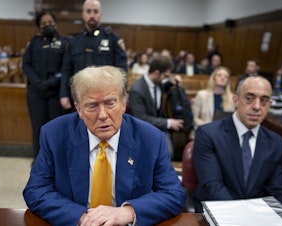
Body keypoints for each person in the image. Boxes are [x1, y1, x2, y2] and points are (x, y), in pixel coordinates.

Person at [23, 66, 186, 226]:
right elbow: (36, 190)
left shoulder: (150, 138)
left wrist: (128, 212)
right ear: (79, 109)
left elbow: (173, 194)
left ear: (123, 103)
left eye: (110, 103)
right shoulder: (54, 134)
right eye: (92, 106)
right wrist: (80, 217)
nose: (102, 115)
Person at [192, 75, 282, 212]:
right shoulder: (208, 134)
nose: (257, 106)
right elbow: (212, 187)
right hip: (218, 210)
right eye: (249, 98)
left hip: (258, 215)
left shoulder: (277, 143)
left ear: (269, 104)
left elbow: (278, 193)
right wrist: (243, 216)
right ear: (236, 100)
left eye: (264, 100)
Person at [60, 0, 127, 111]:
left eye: (95, 11)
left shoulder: (112, 38)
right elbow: (66, 69)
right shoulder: (74, 41)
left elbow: (122, 69)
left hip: (105, 96)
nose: (92, 15)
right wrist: (63, 94)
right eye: (88, 11)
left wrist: (123, 92)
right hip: (79, 95)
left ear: (100, 14)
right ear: (83, 14)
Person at [22, 11, 68, 160]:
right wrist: (38, 82)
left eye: (50, 22)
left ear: (55, 24)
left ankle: (56, 161)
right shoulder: (34, 42)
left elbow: (66, 68)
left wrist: (50, 82)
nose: (48, 25)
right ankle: (38, 160)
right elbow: (26, 65)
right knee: (38, 128)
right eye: (44, 24)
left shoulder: (64, 42)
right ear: (39, 27)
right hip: (36, 92)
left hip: (55, 92)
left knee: (56, 129)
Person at [128, 55, 184, 160]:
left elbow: (163, 85)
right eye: (165, 76)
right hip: (144, 130)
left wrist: (171, 81)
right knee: (166, 154)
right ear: (157, 73)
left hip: (159, 128)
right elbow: (141, 118)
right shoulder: (137, 90)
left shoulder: (158, 83)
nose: (166, 78)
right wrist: (169, 123)